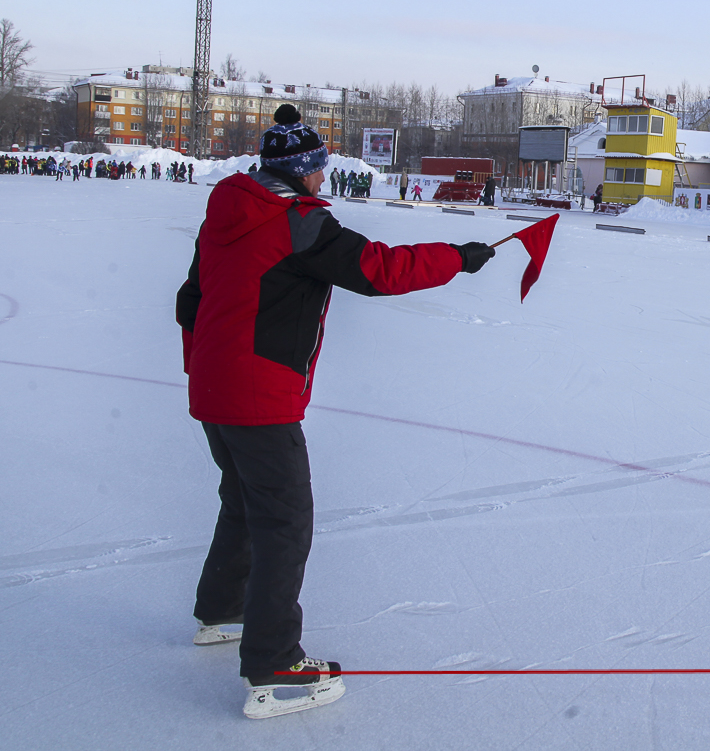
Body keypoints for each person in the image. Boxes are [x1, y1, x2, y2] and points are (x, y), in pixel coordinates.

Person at [176, 103, 497, 720]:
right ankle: (274, 662)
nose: (323, 179)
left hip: (214, 390)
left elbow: (191, 299)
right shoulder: (295, 223)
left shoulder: (224, 213)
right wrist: (457, 257)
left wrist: (207, 368)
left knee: (244, 504)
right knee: (285, 521)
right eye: (317, 169)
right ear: (297, 172)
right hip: (255, 396)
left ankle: (223, 610)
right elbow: (380, 270)